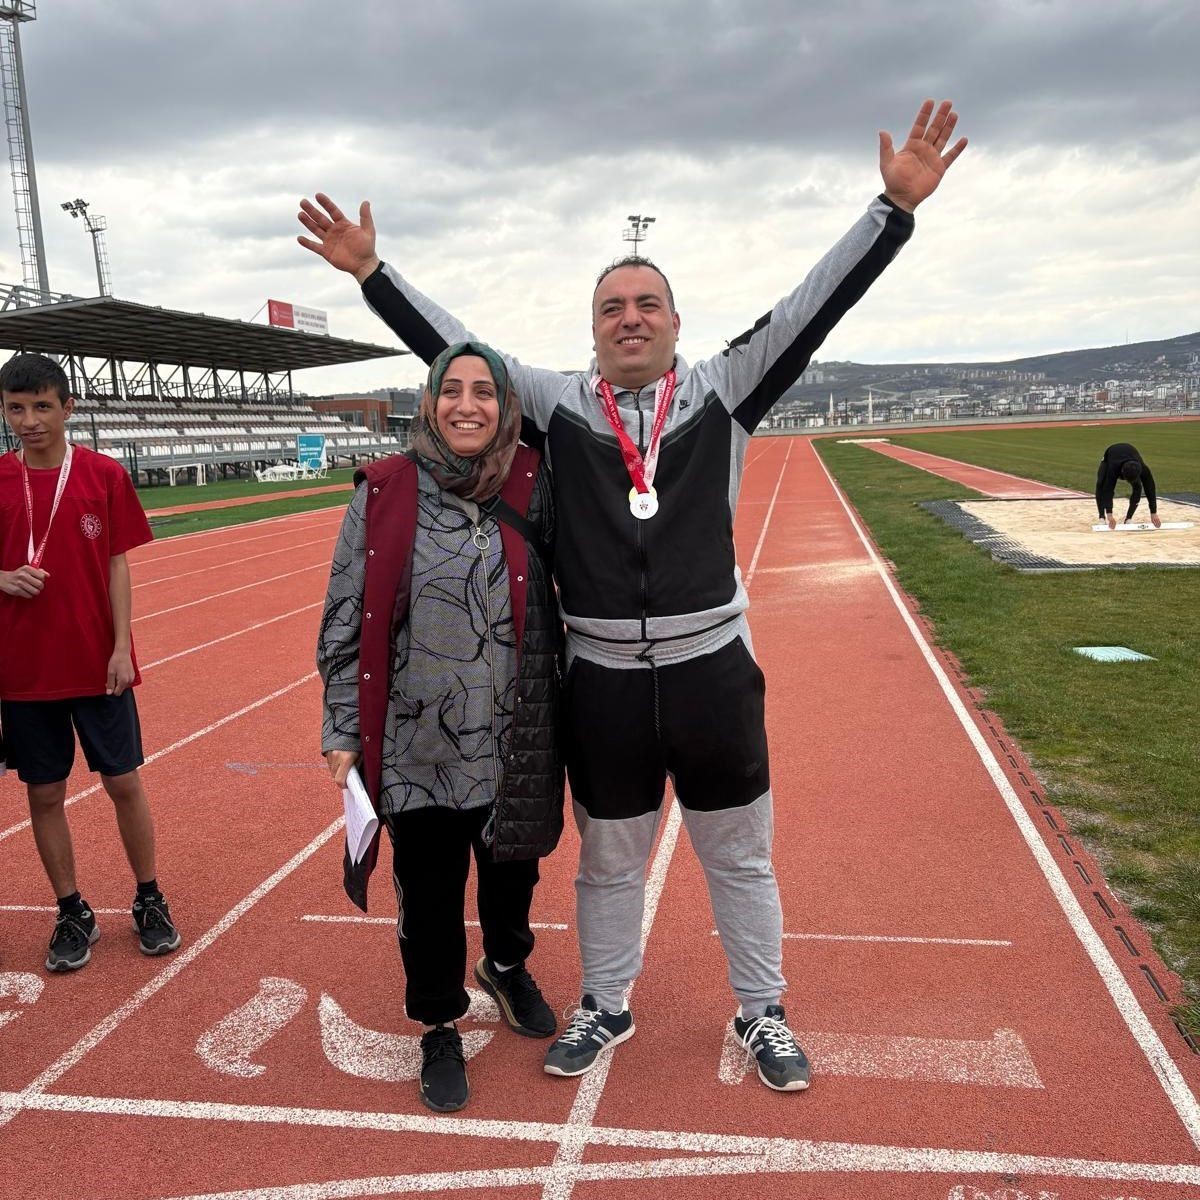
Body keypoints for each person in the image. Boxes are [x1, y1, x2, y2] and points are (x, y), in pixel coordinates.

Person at [300, 99, 967, 1093]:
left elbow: (812, 307)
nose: (631, 318)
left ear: (676, 322)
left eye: (647, 304)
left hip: (711, 670)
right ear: (594, 329)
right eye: (613, 307)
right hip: (604, 679)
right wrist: (371, 275)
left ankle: (763, 1010)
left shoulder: (726, 388)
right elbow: (461, 350)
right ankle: (607, 1004)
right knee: (608, 864)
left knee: (740, 858)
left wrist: (892, 211)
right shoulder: (556, 404)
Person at [317, 341, 564, 1113]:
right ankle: (438, 1023)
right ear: (428, 403)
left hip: (514, 733)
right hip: (417, 742)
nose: (466, 404)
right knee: (429, 895)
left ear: (505, 406)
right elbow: (345, 617)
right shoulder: (385, 490)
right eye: (450, 389)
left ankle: (506, 965)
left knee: (514, 872)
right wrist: (341, 727)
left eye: (483, 391)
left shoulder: (534, 481)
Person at [0, 353, 181, 972]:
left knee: (123, 782)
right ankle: (71, 909)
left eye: (41, 406)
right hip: (23, 671)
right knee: (44, 793)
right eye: (15, 408)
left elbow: (116, 564)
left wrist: (121, 647)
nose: (29, 420)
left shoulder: (103, 474)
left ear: (68, 408)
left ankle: (149, 897)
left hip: (97, 663)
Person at [1096, 442, 1160, 529]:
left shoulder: (1143, 469)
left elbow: (1150, 489)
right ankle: (1101, 517)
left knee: (1138, 487)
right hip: (1111, 455)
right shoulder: (1113, 469)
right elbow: (1108, 490)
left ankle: (1128, 519)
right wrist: (1109, 515)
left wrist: (1153, 512)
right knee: (1100, 484)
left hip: (1131, 456)